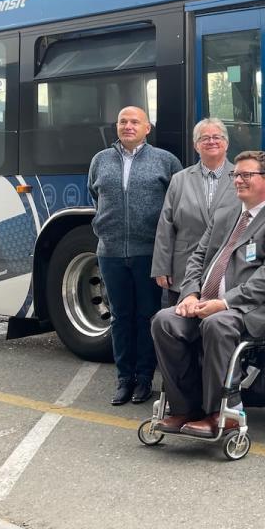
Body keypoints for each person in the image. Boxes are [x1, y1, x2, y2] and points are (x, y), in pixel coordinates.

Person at [150, 151, 265, 437]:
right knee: (164, 320)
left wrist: (223, 303)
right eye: (236, 175)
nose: (238, 181)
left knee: (216, 324)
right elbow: (197, 258)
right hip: (206, 302)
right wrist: (190, 295)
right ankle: (184, 408)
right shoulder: (224, 215)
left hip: (250, 309)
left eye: (246, 175)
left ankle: (220, 413)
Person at [88, 106, 183, 406]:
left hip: (149, 253)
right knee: (120, 317)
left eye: (134, 122)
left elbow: (176, 204)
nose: (128, 126)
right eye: (123, 121)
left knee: (147, 316)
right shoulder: (100, 160)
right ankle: (123, 379)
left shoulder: (166, 161)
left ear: (147, 128)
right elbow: (94, 194)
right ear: (116, 126)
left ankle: (144, 379)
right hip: (111, 252)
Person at [151, 119, 239, 308]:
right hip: (183, 270)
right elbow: (166, 225)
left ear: (227, 143)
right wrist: (161, 267)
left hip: (226, 269)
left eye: (217, 137)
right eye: (204, 138)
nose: (211, 141)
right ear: (195, 145)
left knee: (217, 327)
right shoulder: (179, 179)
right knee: (179, 326)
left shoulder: (241, 177)